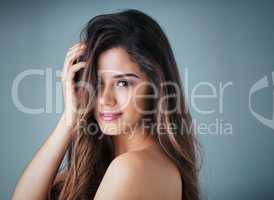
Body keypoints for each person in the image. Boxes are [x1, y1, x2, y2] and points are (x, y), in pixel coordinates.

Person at [12, 9, 201, 200]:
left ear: (155, 87)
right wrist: (70, 118)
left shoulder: (132, 168)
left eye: (123, 83)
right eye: (97, 81)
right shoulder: (104, 167)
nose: (104, 99)